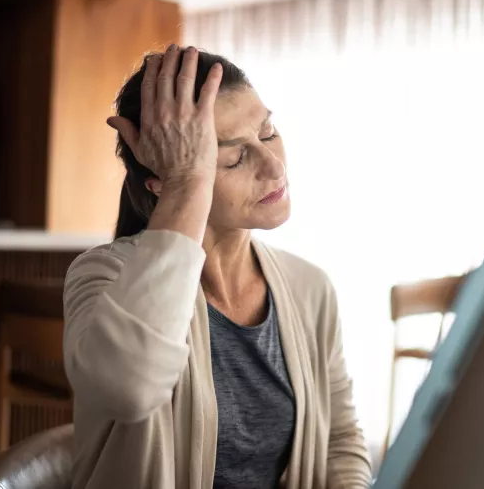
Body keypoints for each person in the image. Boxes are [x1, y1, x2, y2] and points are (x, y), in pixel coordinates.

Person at [63, 44, 372, 489]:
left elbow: (340, 439)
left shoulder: (310, 288)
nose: (274, 165)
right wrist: (186, 183)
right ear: (161, 184)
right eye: (232, 158)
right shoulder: (101, 277)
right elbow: (127, 390)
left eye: (268, 133)